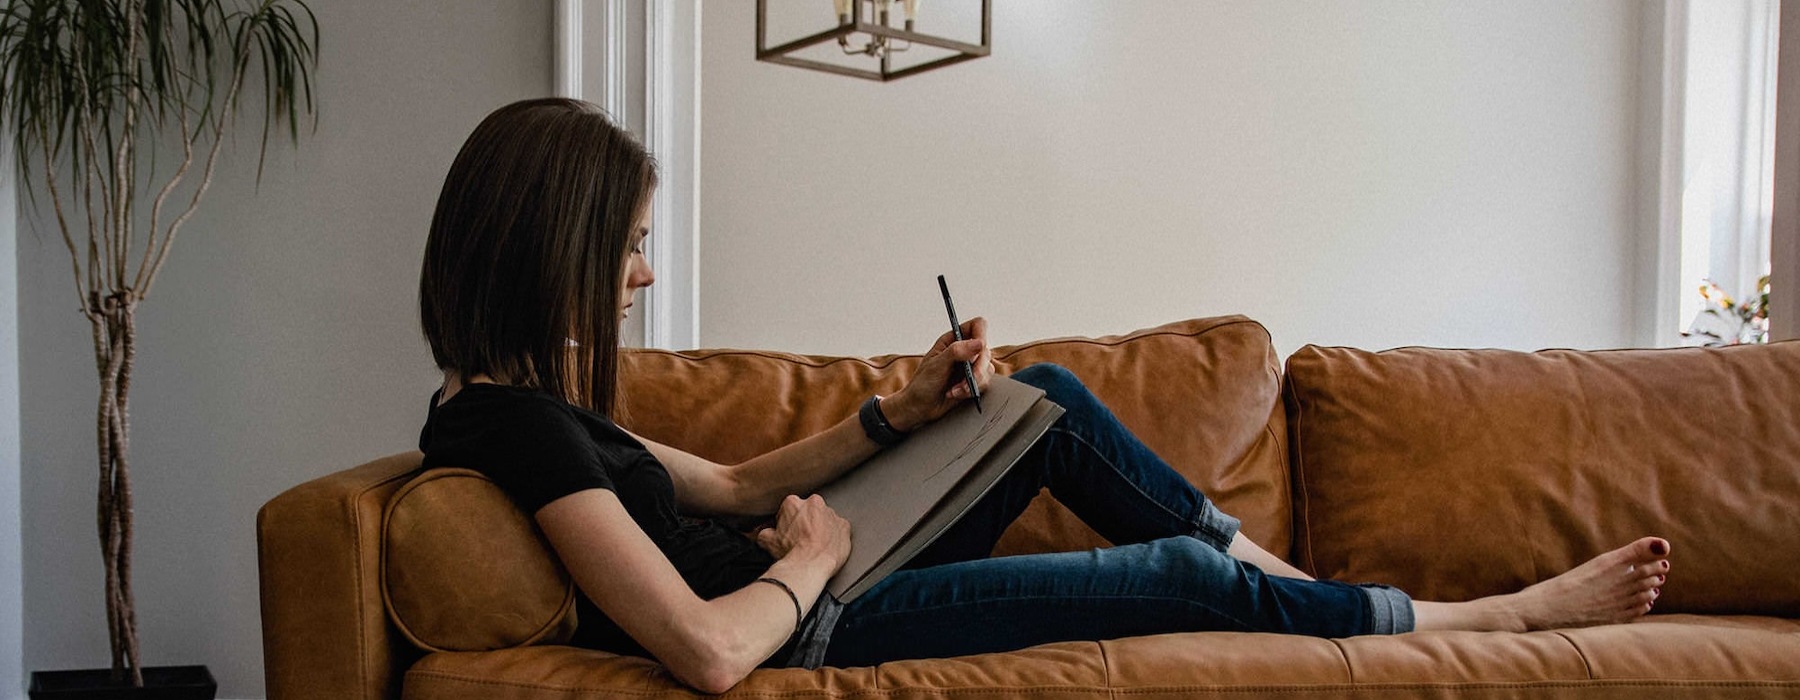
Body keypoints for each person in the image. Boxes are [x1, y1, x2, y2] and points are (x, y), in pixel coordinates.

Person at [416, 98, 1672, 695]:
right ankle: (1484, 619)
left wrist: (901, 412)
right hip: (809, 615)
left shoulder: (540, 404)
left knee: (1045, 400)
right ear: (554, 241)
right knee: (1176, 582)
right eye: (629, 243)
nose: (642, 272)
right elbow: (703, 648)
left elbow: (736, 484)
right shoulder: (507, 427)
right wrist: (810, 562)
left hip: (813, 573)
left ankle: (1294, 588)